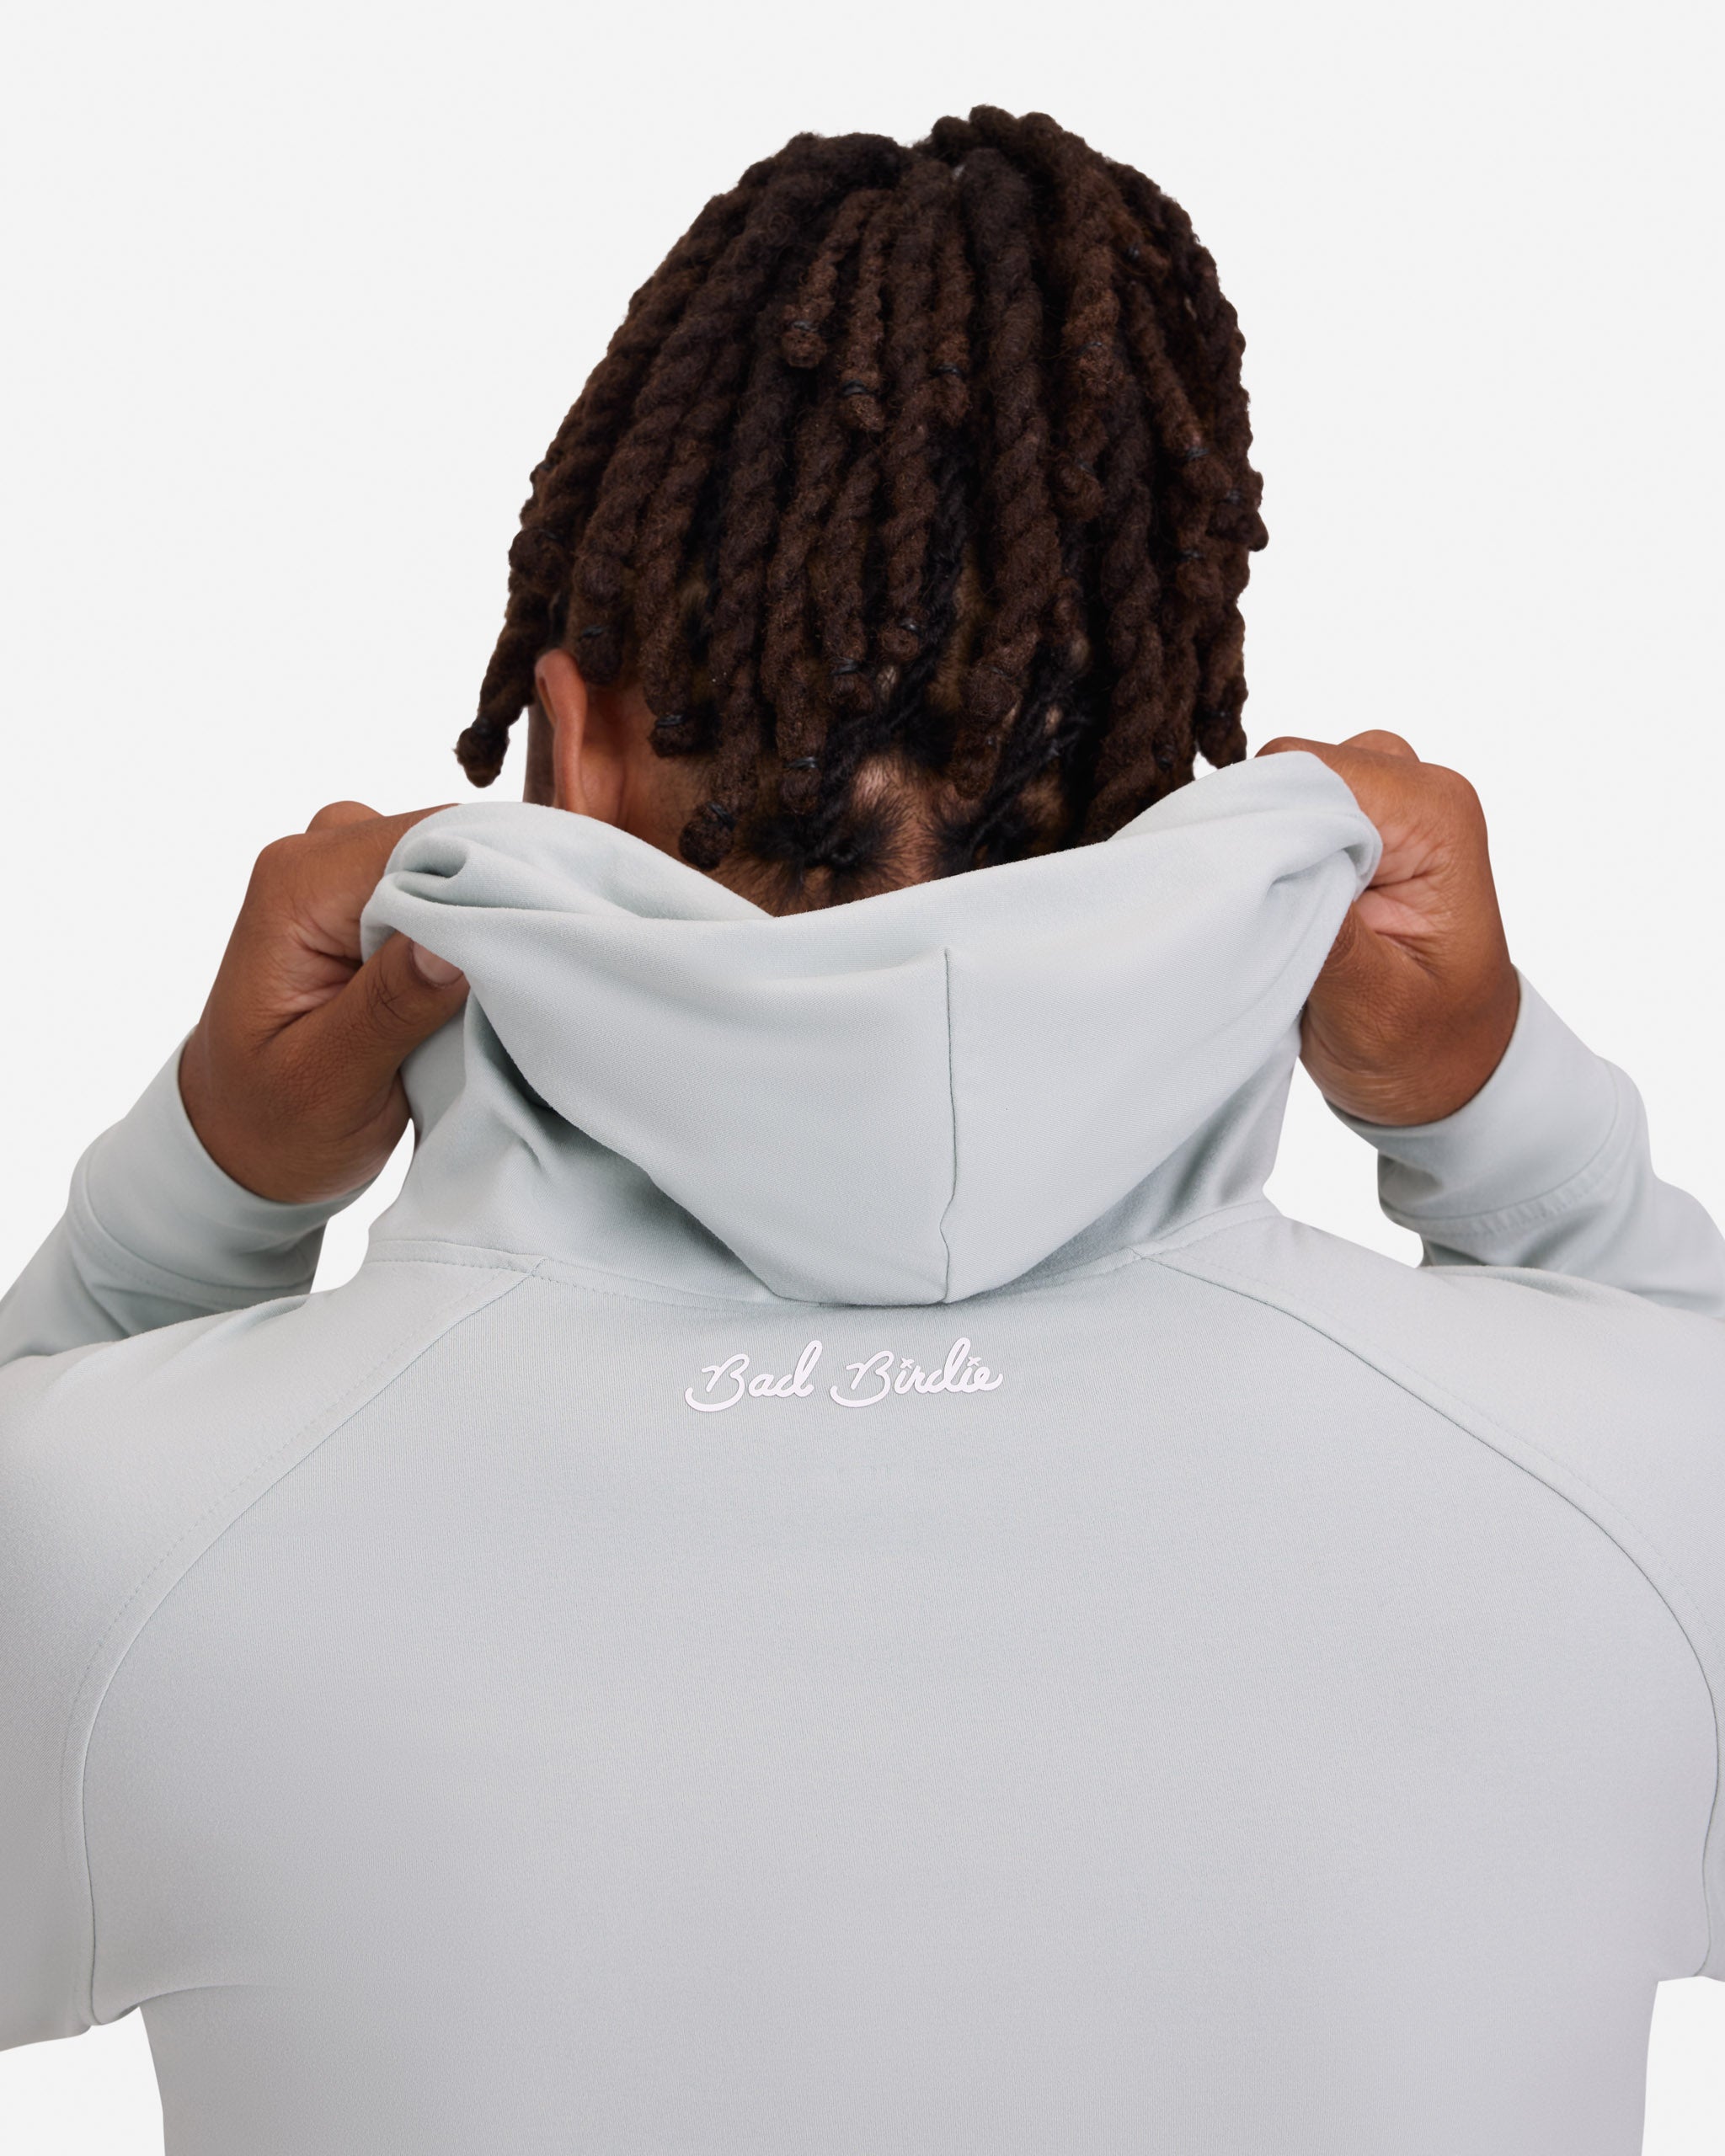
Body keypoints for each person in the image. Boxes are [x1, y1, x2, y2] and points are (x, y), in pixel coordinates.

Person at [3, 109, 1723, 2156]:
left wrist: (200, 1194)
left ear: (573, 743)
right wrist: (1493, 1105)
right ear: (1170, 743)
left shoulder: (123, 1525)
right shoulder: (1639, 1496)